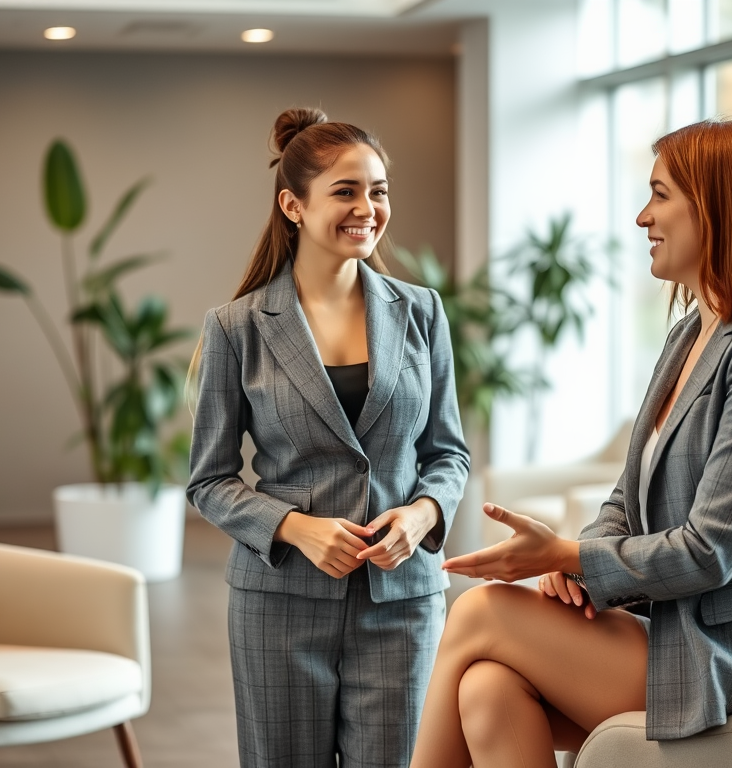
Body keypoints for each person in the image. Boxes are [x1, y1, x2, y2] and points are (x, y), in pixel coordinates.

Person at [409, 117, 732, 768]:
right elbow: (627, 500)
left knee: (479, 615)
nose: (643, 217)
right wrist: (573, 568)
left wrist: (568, 552)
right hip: (686, 627)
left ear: (721, 205)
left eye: (660, 194)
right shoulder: (689, 334)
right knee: (486, 689)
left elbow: (712, 550)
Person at [186, 107, 470, 768]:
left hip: (402, 601)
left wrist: (421, 514)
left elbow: (447, 453)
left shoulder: (422, 311)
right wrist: (295, 527)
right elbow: (209, 480)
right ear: (294, 204)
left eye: (378, 190)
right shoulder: (237, 327)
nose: (368, 207)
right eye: (346, 191)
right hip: (279, 603)